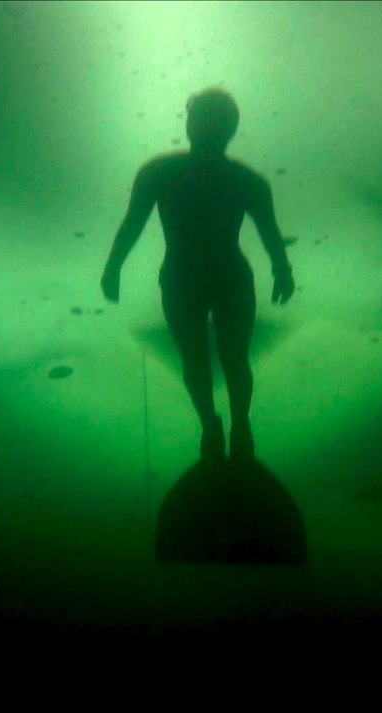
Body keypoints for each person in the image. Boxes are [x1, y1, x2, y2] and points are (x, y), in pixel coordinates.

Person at [101, 88, 295, 462]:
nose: (204, 127)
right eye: (202, 119)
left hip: (192, 277)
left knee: (221, 358)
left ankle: (228, 424)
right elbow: (132, 224)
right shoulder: (241, 180)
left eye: (210, 120)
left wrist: (114, 268)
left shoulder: (163, 172)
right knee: (215, 359)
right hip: (212, 277)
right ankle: (221, 424)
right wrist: (282, 270)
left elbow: (132, 225)